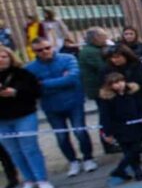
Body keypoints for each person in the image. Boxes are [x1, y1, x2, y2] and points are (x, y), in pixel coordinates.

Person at [26, 37, 97, 176]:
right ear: (34, 52)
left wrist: (43, 83)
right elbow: (33, 88)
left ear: (52, 46)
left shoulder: (68, 58)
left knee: (80, 132)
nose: (44, 51)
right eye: (39, 50)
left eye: (47, 48)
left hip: (74, 102)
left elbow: (72, 78)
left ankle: (88, 158)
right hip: (51, 106)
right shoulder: (30, 68)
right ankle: (73, 161)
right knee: (61, 136)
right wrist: (61, 80)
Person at [0, 45, 53, 188]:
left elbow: (36, 92)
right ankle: (29, 180)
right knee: (14, 151)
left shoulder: (23, 73)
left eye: (4, 56)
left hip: (24, 115)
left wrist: (15, 92)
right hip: (2, 120)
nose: (1, 60)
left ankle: (41, 179)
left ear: (10, 57)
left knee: (30, 148)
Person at [101, 45, 142, 162]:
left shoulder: (135, 64)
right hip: (119, 103)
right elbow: (105, 85)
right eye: (112, 58)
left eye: (118, 57)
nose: (115, 60)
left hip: (139, 99)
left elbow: (138, 80)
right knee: (129, 134)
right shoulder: (106, 69)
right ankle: (134, 159)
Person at [98, 73, 142, 182]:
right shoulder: (107, 99)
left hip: (135, 125)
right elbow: (105, 116)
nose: (119, 84)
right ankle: (137, 171)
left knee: (136, 149)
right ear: (110, 86)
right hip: (119, 128)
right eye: (115, 83)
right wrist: (107, 133)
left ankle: (119, 170)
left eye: (120, 81)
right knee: (128, 150)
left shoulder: (132, 92)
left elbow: (140, 106)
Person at [78, 27, 109, 101]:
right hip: (99, 88)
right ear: (96, 38)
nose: (106, 38)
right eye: (104, 36)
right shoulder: (90, 52)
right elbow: (104, 68)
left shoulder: (95, 49)